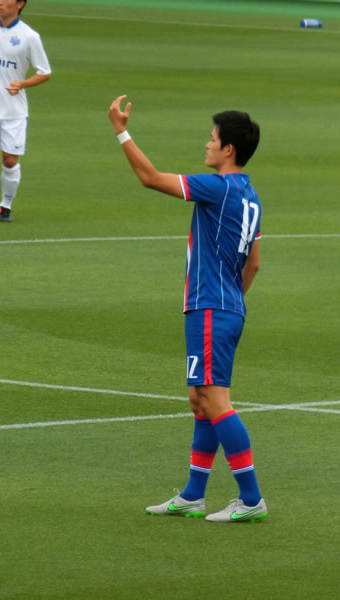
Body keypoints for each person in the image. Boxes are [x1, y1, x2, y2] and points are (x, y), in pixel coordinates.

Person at [108, 95, 267, 523]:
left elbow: (150, 178)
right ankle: (194, 494)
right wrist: (232, 301)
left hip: (211, 308)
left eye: (212, 138)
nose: (207, 144)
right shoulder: (251, 196)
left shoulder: (216, 188)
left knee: (215, 400)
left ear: (228, 149)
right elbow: (253, 263)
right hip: (225, 307)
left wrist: (121, 130)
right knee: (200, 400)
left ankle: (251, 498)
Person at [0, 0, 51, 222]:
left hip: (14, 110)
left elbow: (45, 71)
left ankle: (5, 206)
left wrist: (22, 84)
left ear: (20, 4)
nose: (0, 2)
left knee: (10, 161)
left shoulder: (29, 36)